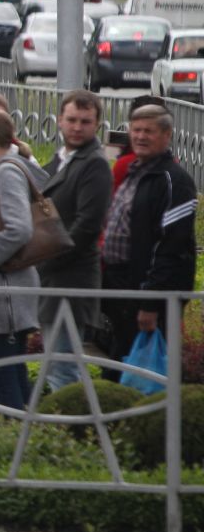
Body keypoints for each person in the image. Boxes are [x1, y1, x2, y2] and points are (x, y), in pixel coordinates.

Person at [99, 103, 198, 362]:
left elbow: (171, 246)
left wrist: (150, 302)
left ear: (166, 135)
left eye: (149, 131)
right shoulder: (135, 172)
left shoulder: (173, 180)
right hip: (121, 286)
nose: (141, 137)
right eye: (136, 130)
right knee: (118, 362)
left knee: (146, 371)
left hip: (147, 291)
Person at [0, 108, 50, 412]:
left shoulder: (6, 171)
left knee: (6, 379)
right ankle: (22, 441)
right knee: (11, 374)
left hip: (7, 294)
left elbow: (19, 229)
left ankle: (15, 445)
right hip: (10, 291)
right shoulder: (9, 168)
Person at [37, 90, 113, 389]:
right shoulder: (63, 158)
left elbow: (87, 225)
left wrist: (45, 258)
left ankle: (74, 431)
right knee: (59, 364)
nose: (77, 127)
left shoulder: (94, 163)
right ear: (59, 121)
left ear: (97, 125)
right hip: (55, 276)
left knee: (62, 367)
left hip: (71, 277)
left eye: (85, 121)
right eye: (71, 120)